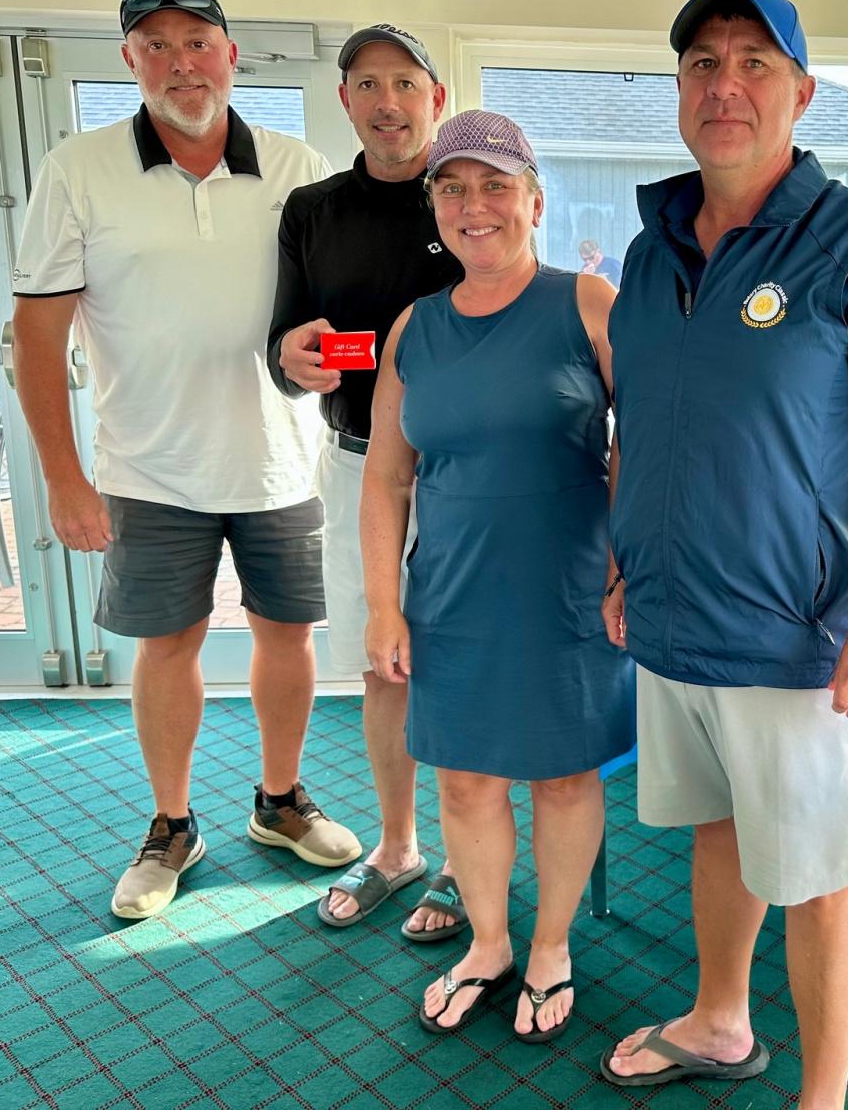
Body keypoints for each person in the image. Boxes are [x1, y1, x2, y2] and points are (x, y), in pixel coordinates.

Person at [600, 0, 848, 1107]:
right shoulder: (650, 255)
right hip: (669, 624)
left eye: (754, 63)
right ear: (677, 94)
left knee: (816, 878)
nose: (725, 86)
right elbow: (640, 431)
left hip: (793, 636)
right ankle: (717, 1021)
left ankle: (824, 1096)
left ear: (800, 93)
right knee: (716, 832)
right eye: (703, 63)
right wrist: (622, 567)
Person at [12, 0, 360, 920]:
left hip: (280, 458)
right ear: (129, 59)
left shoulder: (295, 169)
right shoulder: (78, 168)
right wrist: (64, 477)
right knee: (170, 646)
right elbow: (36, 334)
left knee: (288, 637)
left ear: (231, 54)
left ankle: (280, 802)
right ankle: (172, 825)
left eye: (197, 42)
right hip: (146, 466)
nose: (181, 63)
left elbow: (337, 311)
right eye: (156, 45)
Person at [359, 109, 632, 1043]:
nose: (474, 206)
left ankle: (550, 945)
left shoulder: (588, 301)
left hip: (569, 590)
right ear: (434, 205)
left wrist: (623, 567)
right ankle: (488, 942)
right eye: (452, 187)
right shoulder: (414, 328)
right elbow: (388, 476)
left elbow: (643, 439)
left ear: (534, 201)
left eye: (495, 185)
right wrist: (384, 607)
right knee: (466, 781)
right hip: (453, 592)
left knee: (562, 777)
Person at [266, 24, 468, 941]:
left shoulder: (468, 194)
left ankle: (467, 859)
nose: (388, 102)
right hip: (356, 466)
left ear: (435, 95)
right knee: (382, 667)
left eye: (405, 83)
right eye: (368, 84)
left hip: (473, 475)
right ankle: (399, 846)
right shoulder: (312, 209)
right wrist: (293, 360)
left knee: (462, 669)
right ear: (346, 100)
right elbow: (284, 343)